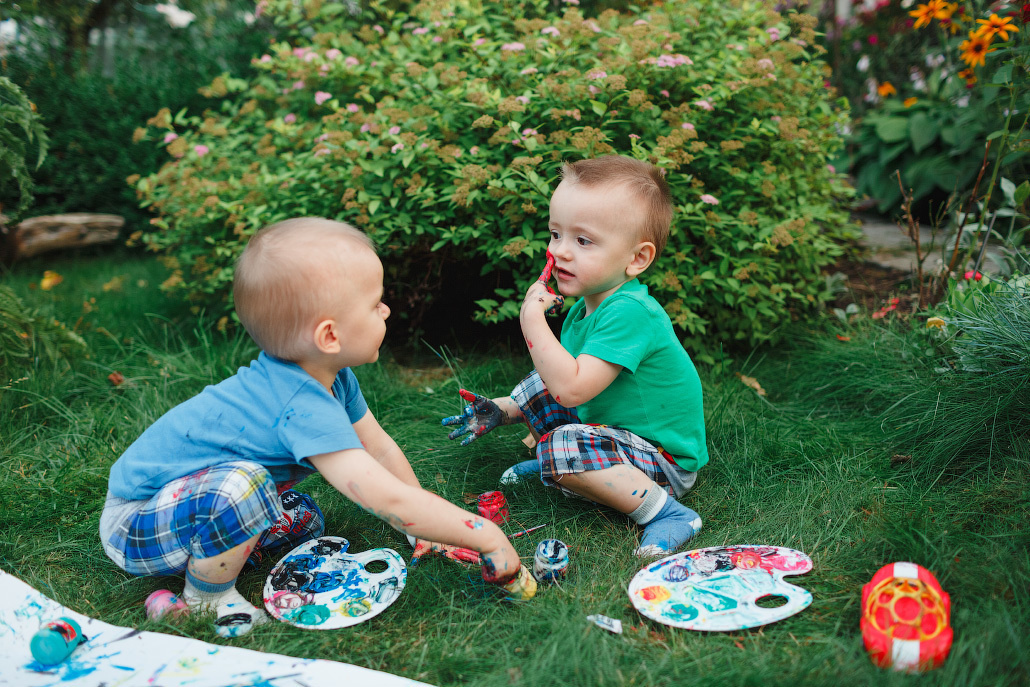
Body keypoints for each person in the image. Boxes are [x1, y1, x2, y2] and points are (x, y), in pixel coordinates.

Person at [100, 218, 535, 638]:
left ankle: (213, 552)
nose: (386, 308)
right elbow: (384, 496)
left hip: (183, 504)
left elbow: (378, 451)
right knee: (245, 486)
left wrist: (420, 526)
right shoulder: (300, 405)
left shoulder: (332, 378)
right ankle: (205, 599)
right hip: (134, 522)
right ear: (329, 337)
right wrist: (485, 536)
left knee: (306, 518)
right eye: (375, 303)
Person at [443, 156, 708, 558]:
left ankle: (667, 514)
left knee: (560, 443)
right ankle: (566, 472)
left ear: (637, 259)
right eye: (555, 234)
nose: (560, 252)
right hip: (617, 434)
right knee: (544, 378)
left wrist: (531, 319)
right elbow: (553, 384)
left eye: (582, 241)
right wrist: (501, 410)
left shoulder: (630, 313)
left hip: (663, 460)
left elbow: (569, 391)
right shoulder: (586, 309)